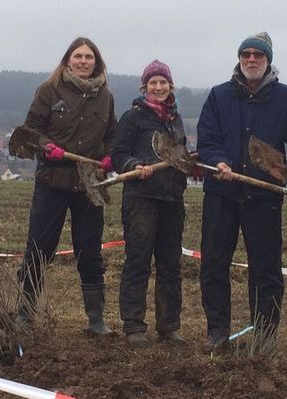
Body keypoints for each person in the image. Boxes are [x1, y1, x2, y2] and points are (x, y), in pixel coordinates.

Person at [197, 32, 287, 353]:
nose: (252, 60)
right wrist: (218, 161)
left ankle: (264, 338)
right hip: (222, 194)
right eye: (246, 54)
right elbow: (206, 138)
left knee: (266, 270)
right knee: (214, 265)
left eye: (258, 55)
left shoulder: (286, 99)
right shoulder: (219, 96)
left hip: (264, 198)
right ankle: (217, 333)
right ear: (239, 59)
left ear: (268, 60)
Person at [16, 37, 116, 335]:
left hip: (90, 183)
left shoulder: (105, 97)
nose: (84, 62)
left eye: (89, 58)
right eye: (78, 57)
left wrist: (110, 156)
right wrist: (47, 147)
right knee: (39, 247)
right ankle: (25, 312)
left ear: (96, 63)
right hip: (52, 179)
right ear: (68, 60)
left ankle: (96, 319)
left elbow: (112, 134)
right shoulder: (49, 91)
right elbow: (31, 129)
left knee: (90, 250)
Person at [111, 60, 187, 347]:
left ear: (170, 86)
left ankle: (169, 327)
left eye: (163, 82)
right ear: (145, 87)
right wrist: (134, 164)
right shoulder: (133, 117)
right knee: (138, 262)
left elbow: (180, 154)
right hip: (140, 199)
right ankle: (134, 325)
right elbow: (118, 154)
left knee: (170, 264)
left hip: (171, 199)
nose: (158, 87)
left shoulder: (175, 119)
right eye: (153, 83)